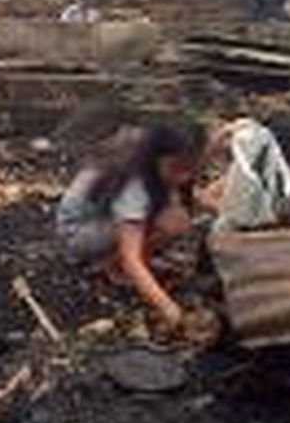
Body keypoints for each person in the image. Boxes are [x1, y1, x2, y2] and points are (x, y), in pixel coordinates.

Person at [56, 121, 208, 328]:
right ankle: (113, 268)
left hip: (104, 220)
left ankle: (111, 263)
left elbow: (215, 145)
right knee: (171, 222)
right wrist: (169, 308)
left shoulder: (150, 154)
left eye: (191, 169)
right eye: (177, 168)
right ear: (156, 158)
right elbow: (132, 258)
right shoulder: (134, 185)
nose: (185, 177)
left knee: (175, 216)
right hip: (77, 233)